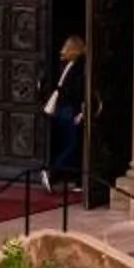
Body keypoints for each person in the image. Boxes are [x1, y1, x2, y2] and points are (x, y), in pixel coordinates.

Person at [40, 35, 89, 194]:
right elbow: (76, 92)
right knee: (72, 145)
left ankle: (74, 179)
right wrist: (80, 112)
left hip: (60, 109)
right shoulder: (78, 67)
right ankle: (52, 172)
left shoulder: (64, 64)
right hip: (69, 110)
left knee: (68, 143)